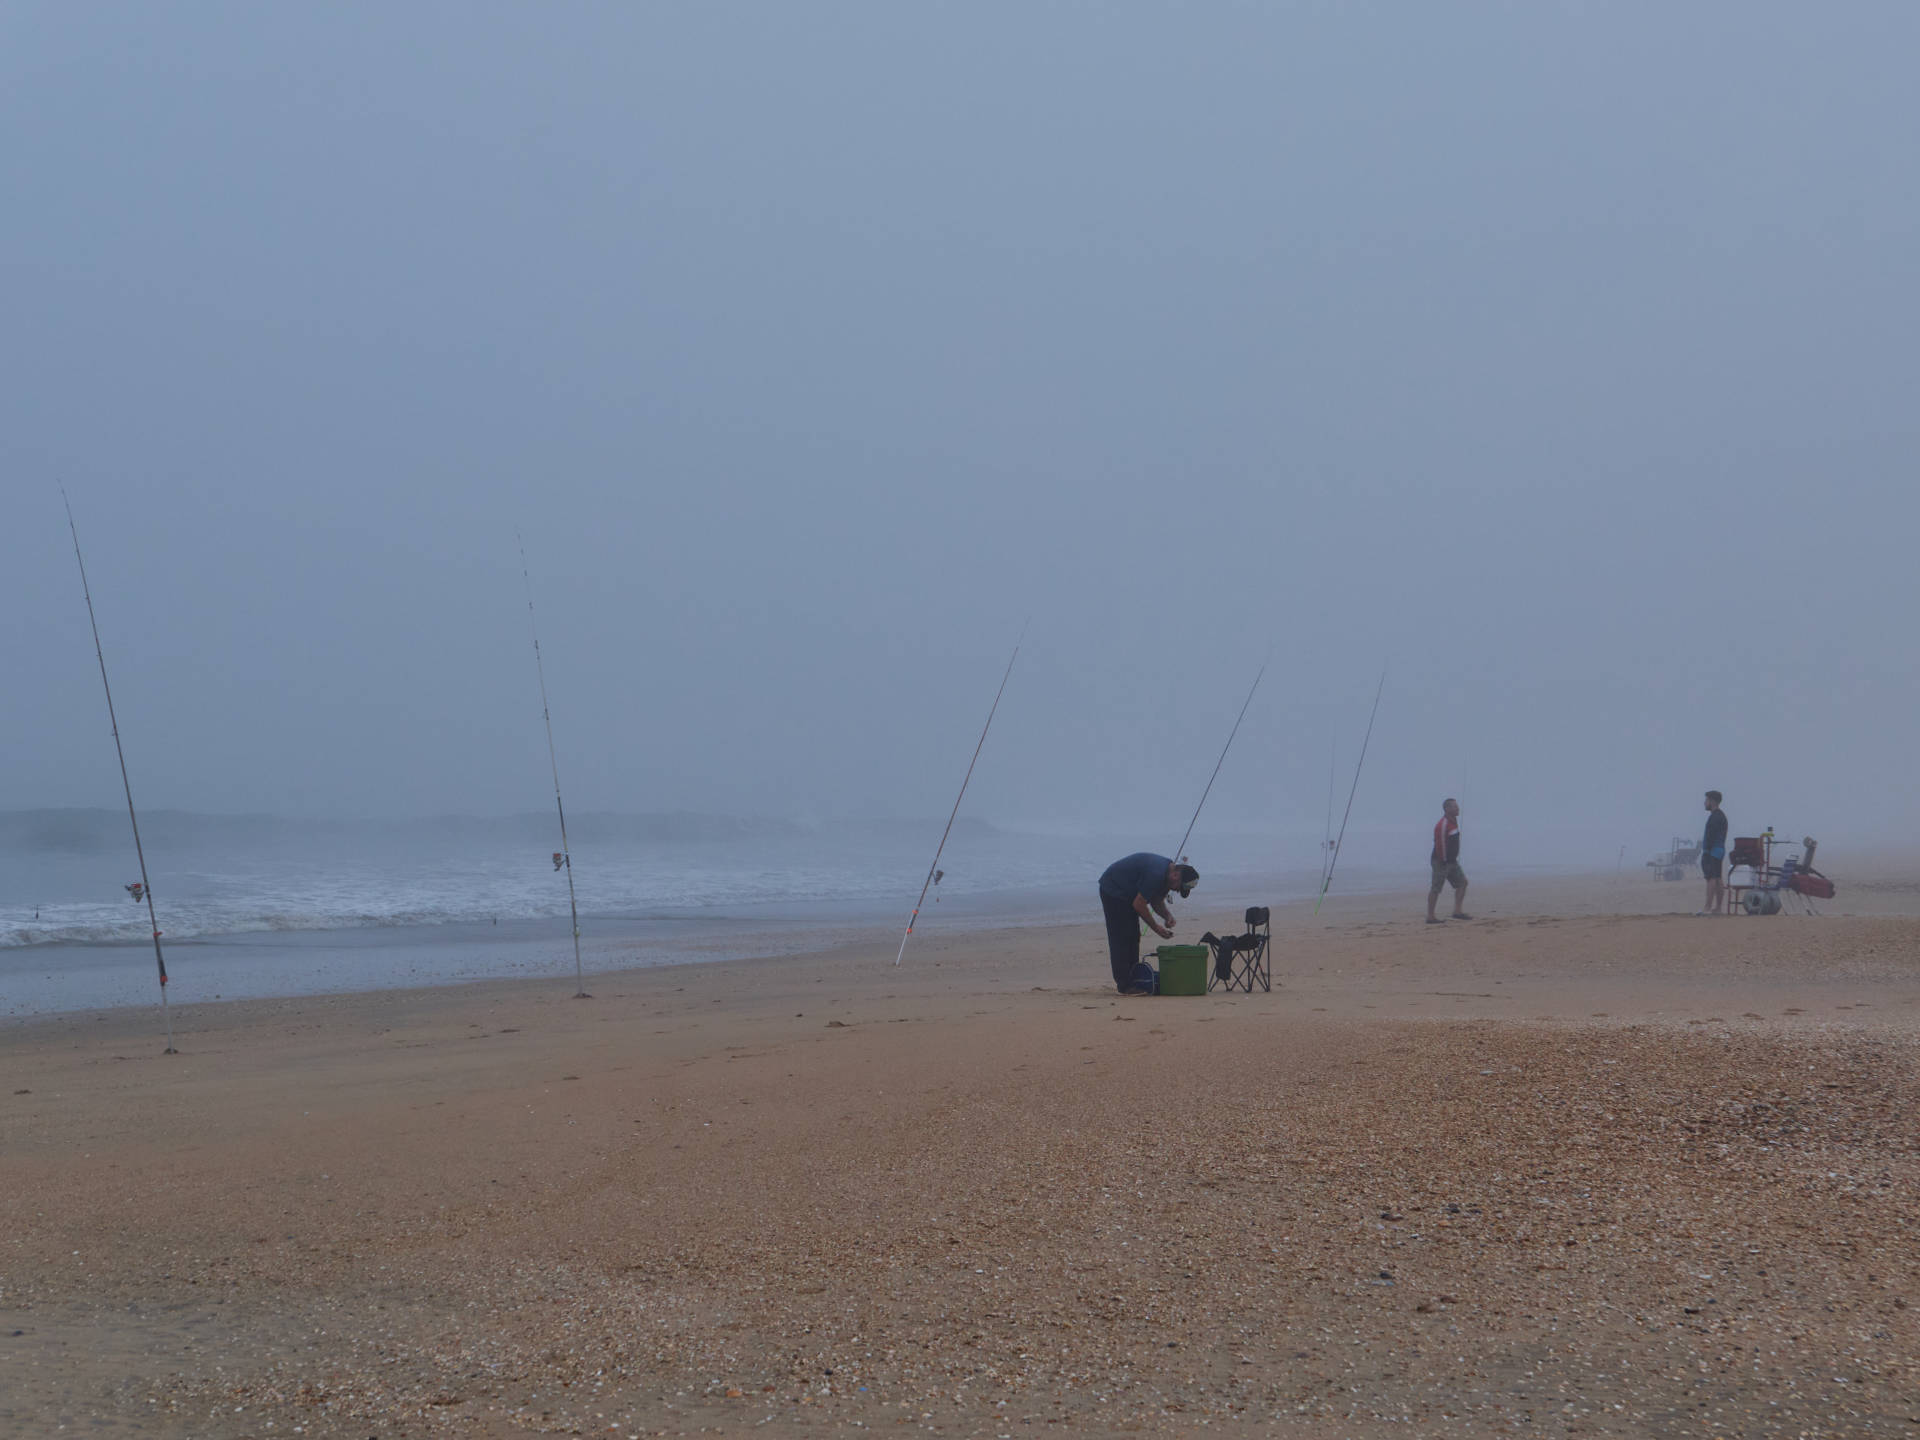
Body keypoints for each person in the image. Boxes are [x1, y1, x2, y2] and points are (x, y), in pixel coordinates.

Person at [1097, 852, 1198, 994]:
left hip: (1130, 892)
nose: (1175, 890)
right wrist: (1157, 928)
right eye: (1178, 887)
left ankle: (1134, 978)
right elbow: (1139, 904)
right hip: (1113, 889)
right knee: (1121, 936)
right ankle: (1124, 985)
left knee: (1133, 935)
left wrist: (1167, 915)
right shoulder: (1156, 874)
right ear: (1175, 875)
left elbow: (1156, 899)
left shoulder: (1167, 876)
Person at [1426, 797, 1470, 923]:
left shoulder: (1453, 821)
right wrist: (1445, 862)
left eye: (1457, 806)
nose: (1458, 808)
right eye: (1454, 807)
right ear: (1447, 809)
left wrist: (1453, 860)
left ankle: (1457, 911)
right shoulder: (1443, 824)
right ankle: (1430, 916)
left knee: (1463, 883)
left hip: (1451, 861)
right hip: (1441, 861)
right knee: (1436, 888)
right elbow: (1440, 845)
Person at [1701, 790, 1729, 915]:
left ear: (1712, 801)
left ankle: (1708, 907)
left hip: (1713, 851)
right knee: (1717, 878)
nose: (1704, 803)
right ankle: (1718, 908)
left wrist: (1707, 851)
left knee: (1711, 878)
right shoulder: (1720, 816)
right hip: (1718, 850)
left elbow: (1711, 836)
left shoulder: (1716, 817)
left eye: (1706, 800)